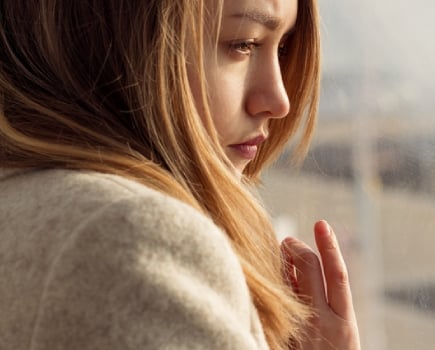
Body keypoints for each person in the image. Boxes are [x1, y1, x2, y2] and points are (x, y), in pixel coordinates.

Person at [0, 0, 360, 349]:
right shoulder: (135, 238)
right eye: (243, 44)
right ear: (120, 43)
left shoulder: (24, 201)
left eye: (282, 47)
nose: (279, 100)